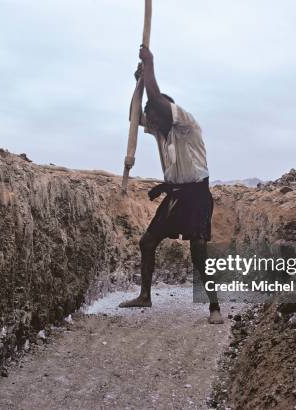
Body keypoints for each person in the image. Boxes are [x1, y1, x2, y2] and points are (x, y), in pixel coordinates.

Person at [119, 45, 223, 324]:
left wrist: (150, 64)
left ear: (166, 113)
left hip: (197, 196)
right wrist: (138, 84)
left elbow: (156, 99)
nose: (149, 121)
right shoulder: (160, 132)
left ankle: (215, 308)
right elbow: (133, 117)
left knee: (198, 255)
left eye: (153, 115)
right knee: (147, 241)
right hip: (175, 195)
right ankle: (145, 296)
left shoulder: (187, 126)